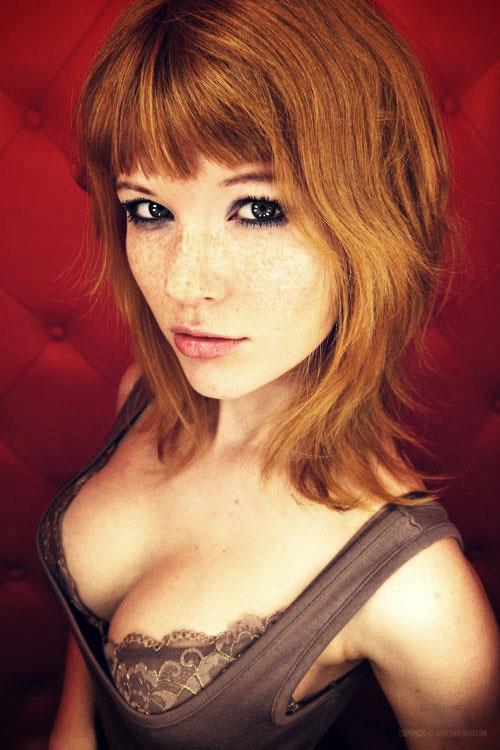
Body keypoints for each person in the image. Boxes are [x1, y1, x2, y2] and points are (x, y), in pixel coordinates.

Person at [37, 0, 499, 748]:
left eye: (258, 208)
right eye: (149, 209)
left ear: (377, 221)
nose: (186, 283)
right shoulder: (143, 394)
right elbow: (88, 655)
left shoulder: (420, 598)